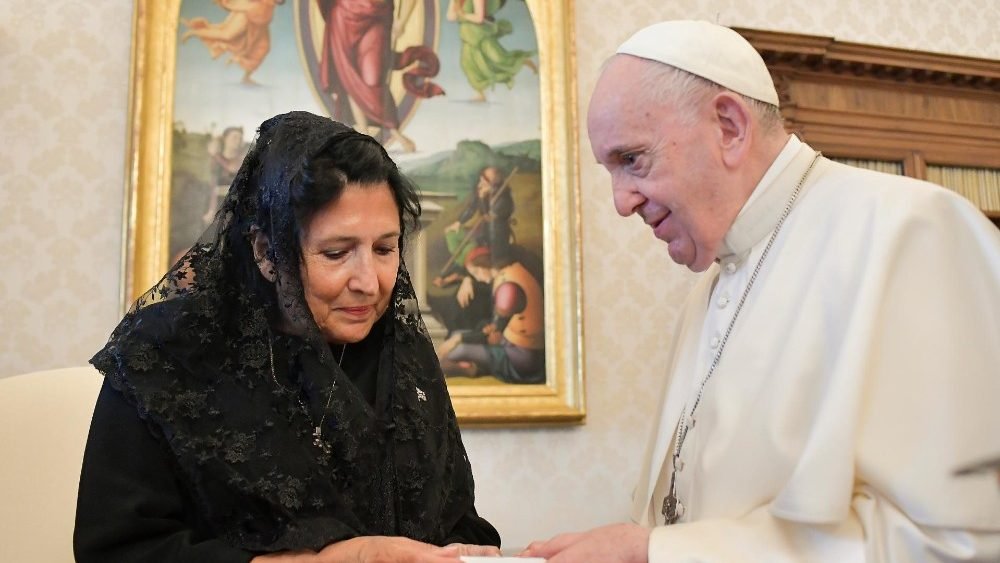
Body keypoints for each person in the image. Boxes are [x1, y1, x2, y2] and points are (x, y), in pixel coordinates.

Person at [522, 20, 1000, 562]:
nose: (621, 202)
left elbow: (959, 540)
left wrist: (657, 554)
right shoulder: (708, 289)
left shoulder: (913, 232)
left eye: (632, 160)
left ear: (729, 126)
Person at [75, 111, 501, 562]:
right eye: (336, 253)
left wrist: (467, 552)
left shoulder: (404, 354)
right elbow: (116, 550)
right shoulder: (168, 352)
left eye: (384, 249)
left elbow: (453, 517)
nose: (370, 282)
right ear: (265, 252)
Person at [437, 246, 544, 384]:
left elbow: (495, 331)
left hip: (521, 357)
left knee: (456, 350)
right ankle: (473, 367)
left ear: (484, 266)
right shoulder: (509, 273)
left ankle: (473, 369)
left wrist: (458, 339)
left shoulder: (508, 288)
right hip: (509, 343)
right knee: (454, 338)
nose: (477, 278)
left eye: (475, 273)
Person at [445, 0, 537, 102]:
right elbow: (450, 17)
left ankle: (524, 60)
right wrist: (457, 11)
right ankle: (480, 93)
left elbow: (479, 18)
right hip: (467, 35)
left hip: (480, 34)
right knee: (467, 64)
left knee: (499, 58)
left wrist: (463, 15)